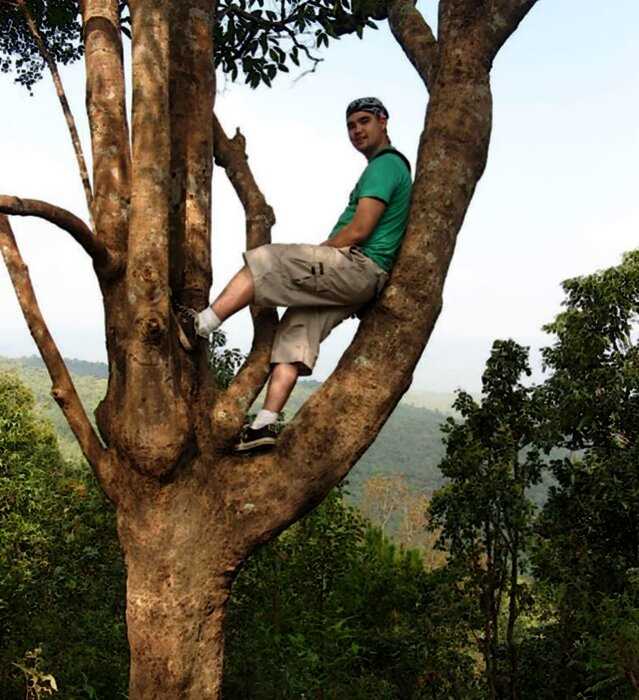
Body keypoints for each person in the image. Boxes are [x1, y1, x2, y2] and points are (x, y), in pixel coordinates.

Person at [184, 97, 412, 452]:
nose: (357, 131)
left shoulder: (385, 166)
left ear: (384, 121)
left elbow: (359, 229)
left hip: (356, 265)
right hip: (366, 281)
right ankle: (265, 424)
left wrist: (321, 251)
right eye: (351, 126)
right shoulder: (391, 168)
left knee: (266, 261)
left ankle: (200, 326)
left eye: (364, 121)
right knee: (296, 333)